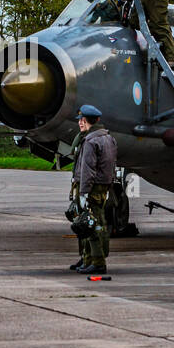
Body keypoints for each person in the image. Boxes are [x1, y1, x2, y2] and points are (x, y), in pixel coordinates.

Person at [70, 104, 117, 275]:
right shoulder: (108, 138)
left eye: (82, 120)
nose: (80, 123)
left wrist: (83, 193)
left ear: (86, 121)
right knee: (97, 223)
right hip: (102, 187)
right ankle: (87, 258)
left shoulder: (90, 141)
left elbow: (87, 169)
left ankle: (97, 262)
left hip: (90, 188)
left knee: (89, 224)